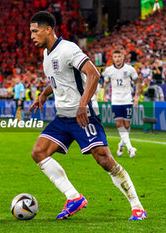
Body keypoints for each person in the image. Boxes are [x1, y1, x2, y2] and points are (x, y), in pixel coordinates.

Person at [29, 11, 147, 221]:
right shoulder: (46, 56)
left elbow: (93, 73)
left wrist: (83, 104)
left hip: (83, 116)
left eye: (35, 31)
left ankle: (137, 207)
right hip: (63, 117)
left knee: (104, 160)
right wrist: (44, 95)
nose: (32, 36)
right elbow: (58, 81)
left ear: (48, 30)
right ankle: (73, 197)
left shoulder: (68, 49)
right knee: (38, 152)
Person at [102, 50, 140, 158]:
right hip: (116, 101)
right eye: (115, 56)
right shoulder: (109, 70)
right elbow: (106, 82)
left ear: (123, 57)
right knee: (119, 124)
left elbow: (137, 81)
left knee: (127, 125)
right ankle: (130, 148)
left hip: (127, 100)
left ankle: (121, 144)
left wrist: (136, 96)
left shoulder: (130, 69)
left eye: (119, 56)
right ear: (112, 58)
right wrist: (105, 94)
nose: (117, 58)